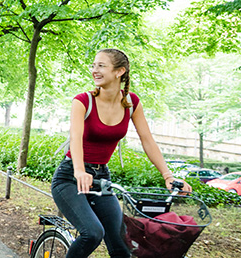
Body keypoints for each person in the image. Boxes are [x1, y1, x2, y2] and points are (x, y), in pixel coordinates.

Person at [51, 48, 192, 258]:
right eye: (93, 65)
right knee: (92, 233)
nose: (94, 70)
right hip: (70, 177)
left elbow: (148, 140)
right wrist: (80, 170)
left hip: (102, 179)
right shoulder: (82, 101)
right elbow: (75, 137)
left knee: (122, 245)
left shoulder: (131, 103)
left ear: (120, 71)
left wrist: (168, 175)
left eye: (101, 66)